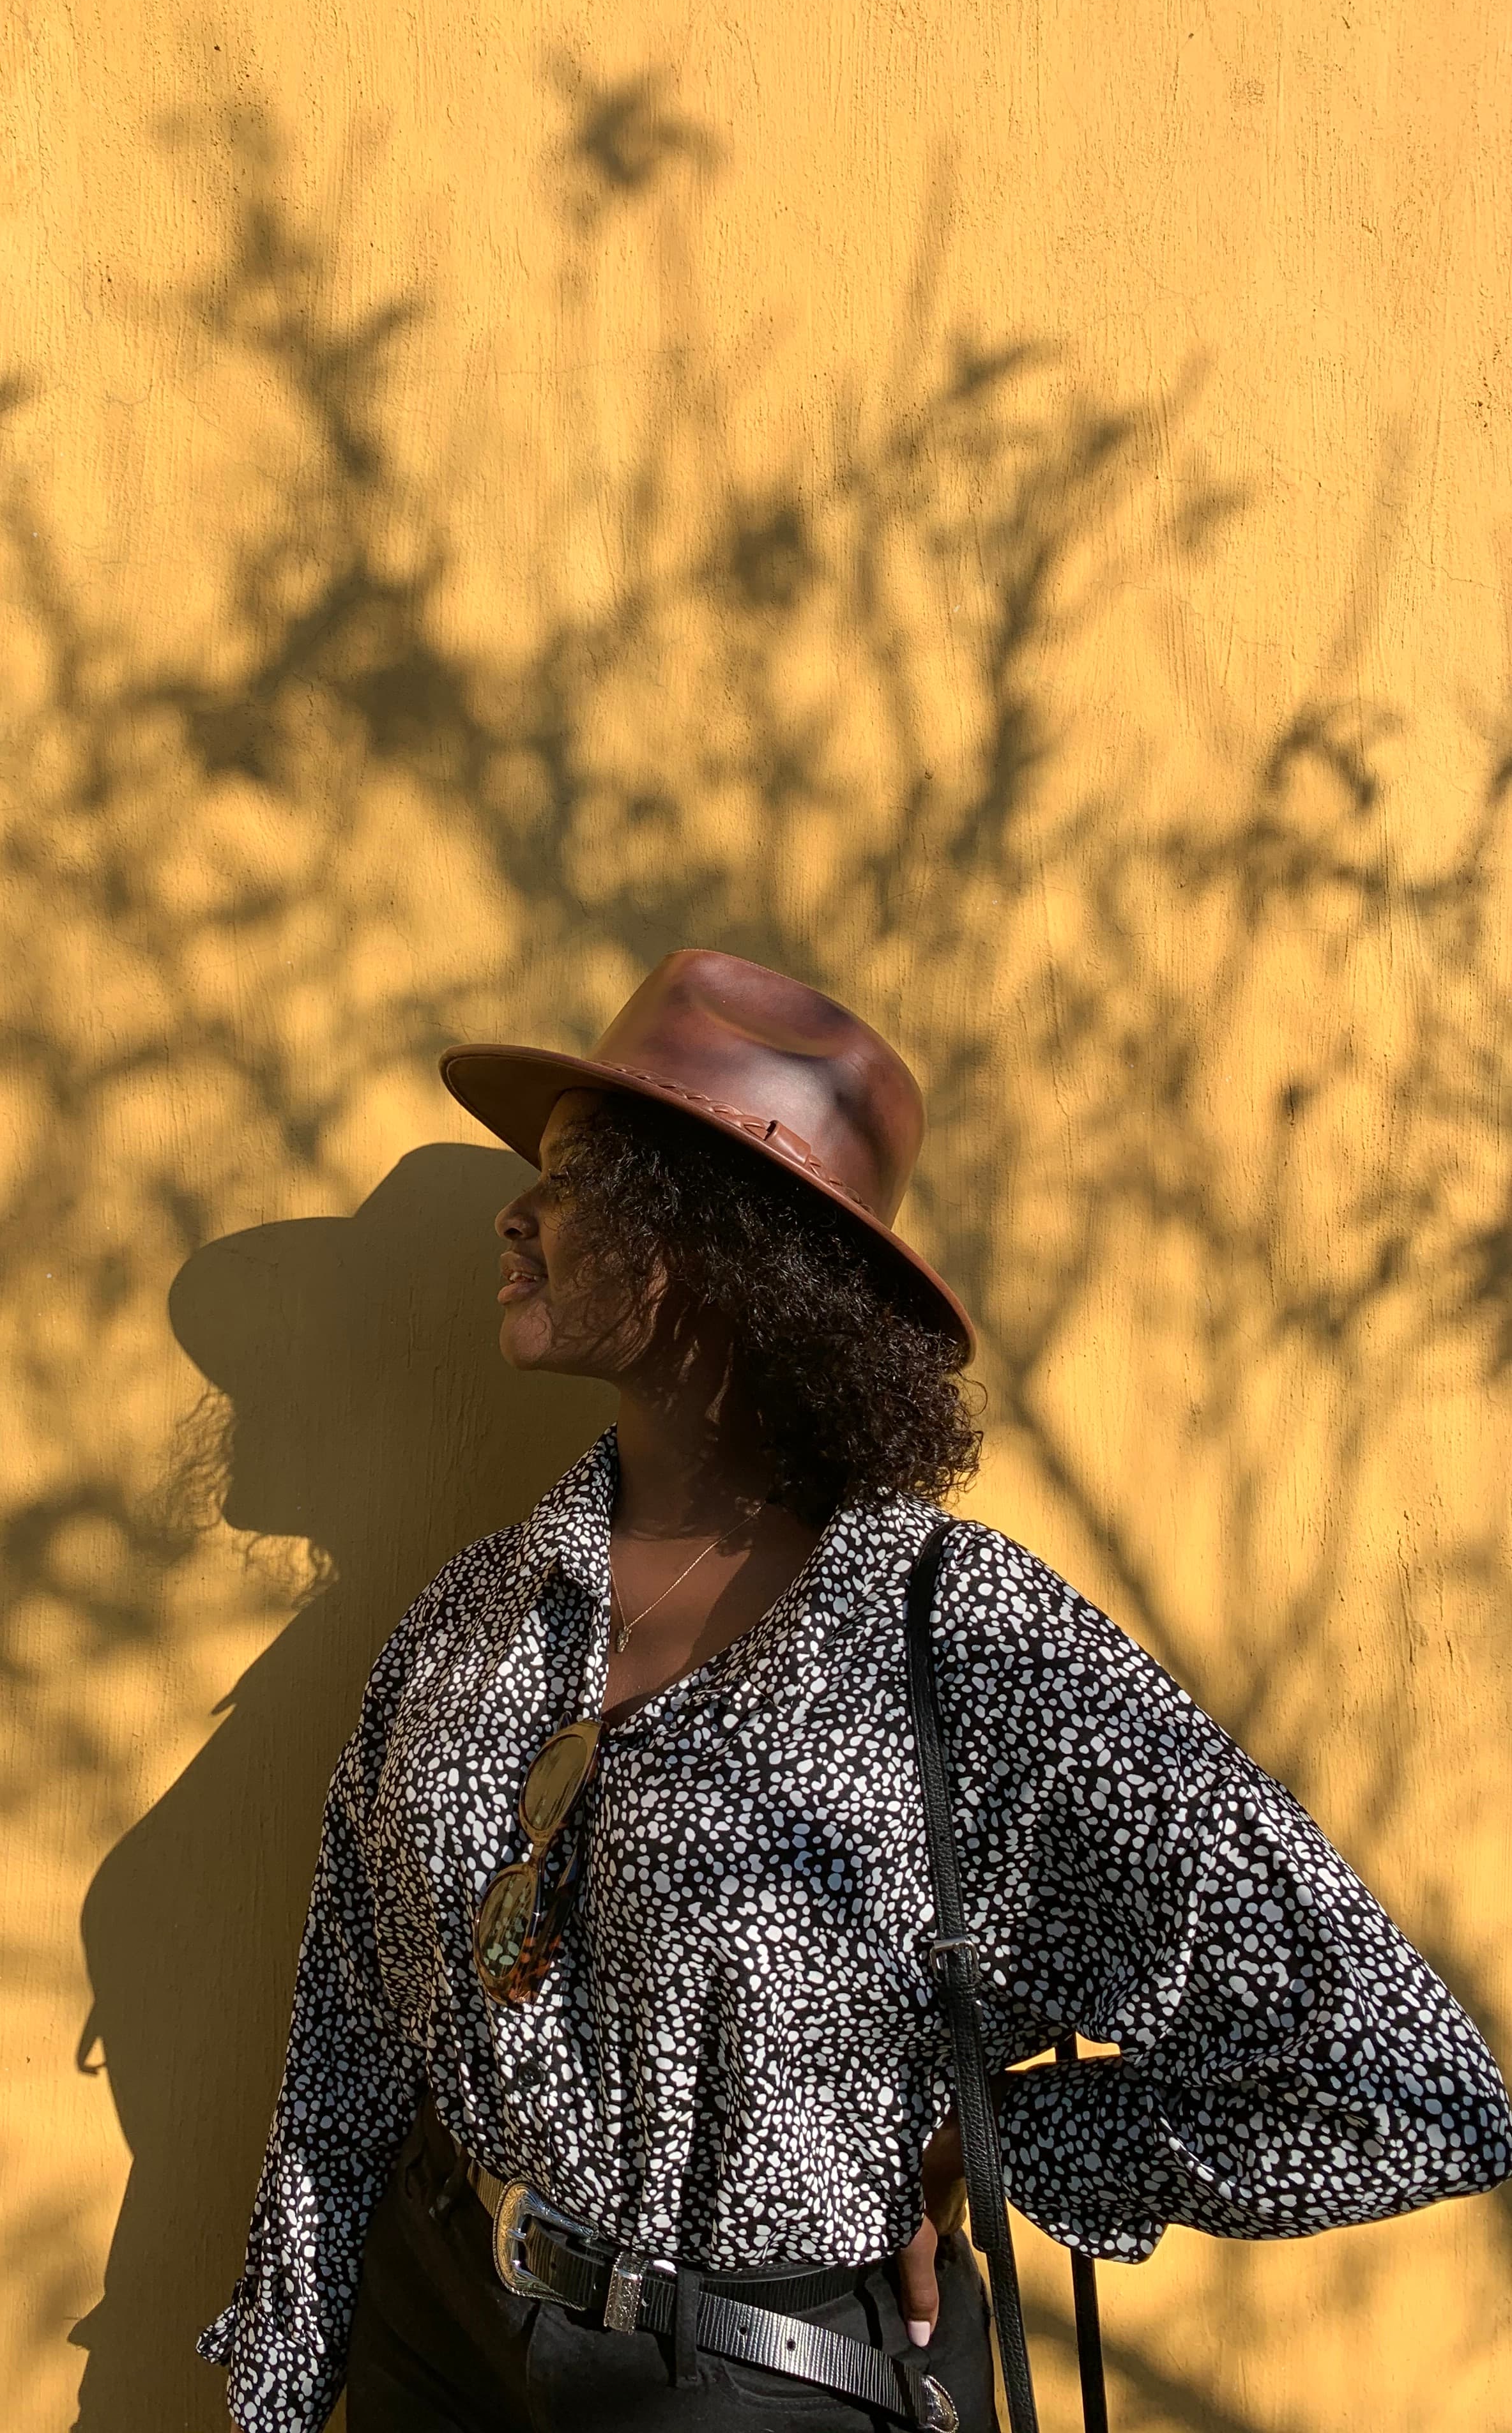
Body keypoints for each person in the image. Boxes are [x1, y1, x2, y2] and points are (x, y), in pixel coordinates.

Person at [197, 949, 1512, 2433]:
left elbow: (1408, 2089)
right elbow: (348, 2037)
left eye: (571, 1180)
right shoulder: (472, 1617)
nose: (517, 1216)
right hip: (437, 2327)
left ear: (716, 1244)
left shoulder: (965, 1642)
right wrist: (282, 2389)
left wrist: (986, 2146)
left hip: (752, 2373)